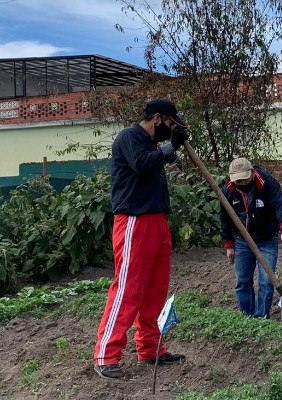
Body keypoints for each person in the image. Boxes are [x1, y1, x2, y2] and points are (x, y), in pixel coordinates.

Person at [93, 99, 190, 379]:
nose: (172, 129)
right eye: (171, 124)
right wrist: (171, 146)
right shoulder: (130, 137)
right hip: (135, 221)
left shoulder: (150, 144)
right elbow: (142, 164)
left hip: (157, 220)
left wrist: (170, 149)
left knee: (155, 291)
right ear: (157, 118)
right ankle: (106, 355)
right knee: (128, 289)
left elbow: (156, 159)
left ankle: (150, 350)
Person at [220, 157, 282, 318]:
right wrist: (229, 244)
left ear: (252, 173)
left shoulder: (267, 184)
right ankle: (246, 318)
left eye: (244, 179)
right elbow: (225, 218)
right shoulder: (229, 190)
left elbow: (280, 204)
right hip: (242, 241)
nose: (241, 183)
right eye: (237, 180)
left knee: (267, 280)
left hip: (266, 239)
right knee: (242, 281)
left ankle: (261, 318)